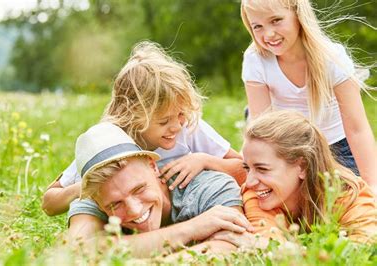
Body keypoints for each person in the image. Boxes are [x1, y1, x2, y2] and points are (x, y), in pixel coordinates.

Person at [42, 41, 246, 215]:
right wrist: (92, 186)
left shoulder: (189, 127)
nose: (176, 126)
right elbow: (49, 202)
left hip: (190, 208)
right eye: (164, 121)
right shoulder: (110, 142)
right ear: (132, 116)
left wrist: (204, 160)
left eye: (180, 114)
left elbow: (245, 169)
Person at [240, 0, 377, 193]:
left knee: (343, 200)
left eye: (276, 20)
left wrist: (372, 184)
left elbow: (357, 129)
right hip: (286, 147)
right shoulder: (256, 59)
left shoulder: (331, 58)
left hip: (336, 146)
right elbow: (263, 127)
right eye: (258, 26)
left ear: (298, 15)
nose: (268, 34)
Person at [67, 122, 254, 257]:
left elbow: (231, 246)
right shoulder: (95, 200)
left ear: (153, 166)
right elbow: (77, 253)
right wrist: (191, 229)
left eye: (139, 189)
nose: (134, 210)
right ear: (97, 202)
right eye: (115, 204)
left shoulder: (210, 187)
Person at [211, 110, 376, 248]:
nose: (250, 181)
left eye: (262, 169)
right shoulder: (258, 194)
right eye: (247, 168)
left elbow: (362, 247)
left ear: (302, 167)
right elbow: (269, 247)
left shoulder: (349, 193)